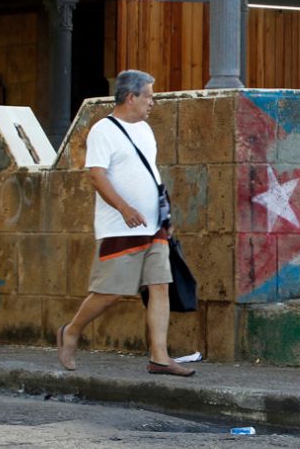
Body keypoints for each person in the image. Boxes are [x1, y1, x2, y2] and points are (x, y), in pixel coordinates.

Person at [56, 69, 194, 377]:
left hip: (152, 226)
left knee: (160, 286)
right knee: (111, 292)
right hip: (121, 226)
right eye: (148, 96)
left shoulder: (145, 130)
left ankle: (159, 357)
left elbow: (151, 174)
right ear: (130, 97)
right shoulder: (102, 130)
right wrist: (124, 208)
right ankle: (71, 331)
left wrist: (165, 215)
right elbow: (96, 175)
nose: (152, 103)